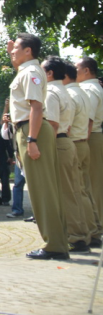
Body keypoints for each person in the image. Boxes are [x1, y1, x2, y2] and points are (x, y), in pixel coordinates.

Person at [9, 35, 68, 259]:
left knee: (43, 191)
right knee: (45, 190)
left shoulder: (31, 73)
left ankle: (54, 245)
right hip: (30, 130)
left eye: (16, 48)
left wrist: (32, 140)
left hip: (32, 130)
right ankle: (58, 241)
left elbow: (35, 107)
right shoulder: (28, 71)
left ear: (28, 51)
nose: (12, 51)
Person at [44, 57, 91, 252]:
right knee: (73, 191)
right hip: (67, 141)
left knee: (65, 193)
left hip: (58, 142)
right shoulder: (65, 91)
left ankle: (75, 236)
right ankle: (80, 234)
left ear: (50, 73)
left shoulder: (51, 92)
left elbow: (53, 124)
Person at [63, 61, 100, 246]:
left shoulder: (80, 91)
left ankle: (89, 231)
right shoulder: (85, 90)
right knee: (86, 187)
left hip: (81, 140)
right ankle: (93, 230)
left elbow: (84, 120)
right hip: (85, 139)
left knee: (82, 189)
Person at [77, 57, 103, 247]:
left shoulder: (89, 89)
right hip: (92, 137)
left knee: (92, 185)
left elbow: (89, 120)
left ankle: (96, 225)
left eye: (77, 68)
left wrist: (83, 140)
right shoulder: (91, 88)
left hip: (90, 137)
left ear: (86, 70)